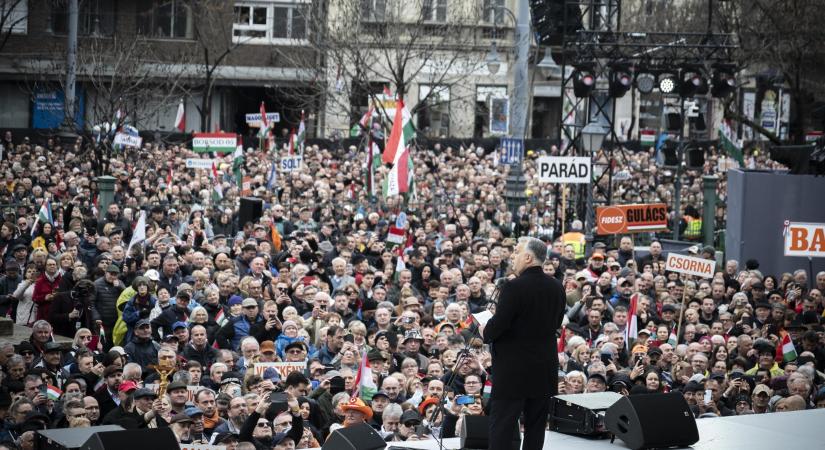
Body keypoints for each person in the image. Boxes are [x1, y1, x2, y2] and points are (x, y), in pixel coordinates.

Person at [481, 237, 565, 450]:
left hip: (513, 373)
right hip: (544, 369)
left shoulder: (513, 287)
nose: (513, 257)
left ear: (528, 257)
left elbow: (495, 328)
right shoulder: (557, 287)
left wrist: (485, 329)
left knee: (503, 427)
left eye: (516, 252)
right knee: (536, 428)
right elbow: (556, 324)